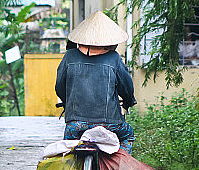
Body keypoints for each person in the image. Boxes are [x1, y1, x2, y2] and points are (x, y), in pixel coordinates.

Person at [55, 10, 137, 153]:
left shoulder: (70, 56)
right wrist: (129, 101)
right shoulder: (114, 59)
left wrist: (67, 103)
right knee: (128, 135)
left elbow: (59, 86)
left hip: (76, 124)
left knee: (68, 152)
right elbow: (127, 87)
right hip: (110, 124)